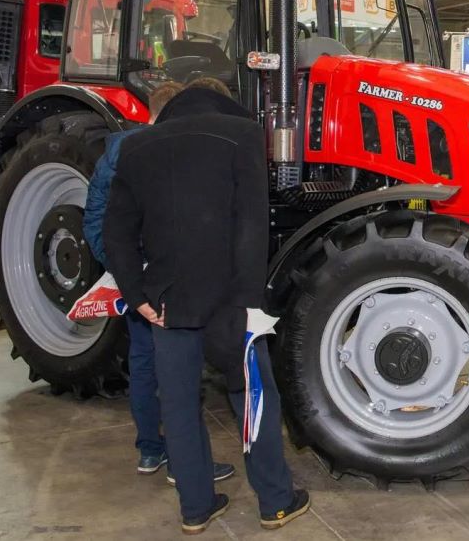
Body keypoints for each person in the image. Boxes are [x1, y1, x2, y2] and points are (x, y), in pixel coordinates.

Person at [104, 83, 309, 534]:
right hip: (231, 298)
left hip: (166, 302)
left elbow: (114, 232)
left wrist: (136, 295)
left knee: (178, 404)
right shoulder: (242, 134)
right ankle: (275, 502)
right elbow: (253, 224)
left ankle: (195, 508)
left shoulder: (136, 147)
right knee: (252, 398)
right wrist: (247, 300)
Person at [83, 81, 237, 484]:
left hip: (135, 276)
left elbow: (96, 217)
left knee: (143, 362)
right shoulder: (171, 149)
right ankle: (187, 465)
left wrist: (123, 271)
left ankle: (150, 450)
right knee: (179, 371)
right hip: (168, 277)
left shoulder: (117, 148)